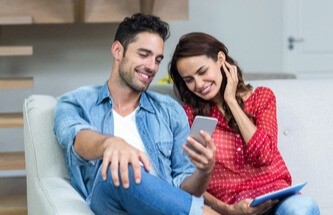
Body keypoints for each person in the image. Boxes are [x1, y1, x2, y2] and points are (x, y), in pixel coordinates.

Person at [54, 14, 219, 214]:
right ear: (117, 50)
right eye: (143, 54)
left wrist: (204, 170)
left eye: (157, 59)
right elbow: (76, 138)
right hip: (108, 206)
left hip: (159, 209)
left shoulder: (170, 110)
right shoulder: (76, 102)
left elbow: (184, 191)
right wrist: (111, 144)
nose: (152, 66)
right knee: (120, 166)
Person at [169, 32, 320, 215]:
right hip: (236, 208)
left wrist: (231, 101)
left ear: (220, 59)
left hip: (278, 200)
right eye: (189, 80)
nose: (199, 84)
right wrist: (228, 209)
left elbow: (264, 154)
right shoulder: (189, 116)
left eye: (202, 72)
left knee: (301, 208)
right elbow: (190, 179)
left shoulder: (261, 98)